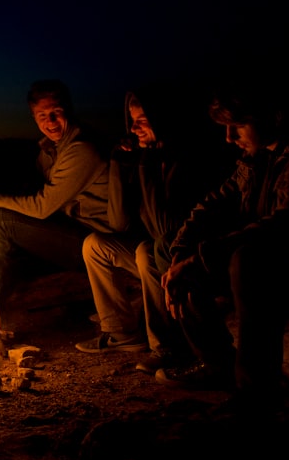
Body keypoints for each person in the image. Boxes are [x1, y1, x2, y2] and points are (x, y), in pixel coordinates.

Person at [156, 81, 289, 414]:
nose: (229, 138)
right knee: (169, 246)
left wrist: (200, 259)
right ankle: (216, 362)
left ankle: (255, 396)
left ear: (272, 117)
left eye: (237, 126)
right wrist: (181, 252)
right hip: (268, 264)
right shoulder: (254, 161)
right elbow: (210, 205)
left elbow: (287, 224)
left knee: (247, 259)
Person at [74, 84, 228, 366]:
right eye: (132, 122)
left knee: (148, 250)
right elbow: (119, 223)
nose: (134, 129)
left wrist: (146, 162)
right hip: (157, 249)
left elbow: (163, 230)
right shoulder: (145, 157)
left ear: (162, 120)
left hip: (183, 256)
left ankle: (167, 347)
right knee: (95, 245)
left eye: (142, 121)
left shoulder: (185, 159)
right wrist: (120, 163)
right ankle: (121, 334)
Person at [0, 79, 112, 301]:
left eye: (56, 112)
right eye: (42, 115)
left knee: (1, 220)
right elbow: (29, 190)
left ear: (68, 110)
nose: (51, 121)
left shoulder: (81, 150)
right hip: (73, 229)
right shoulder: (51, 148)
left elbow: (41, 207)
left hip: (96, 243)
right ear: (34, 117)